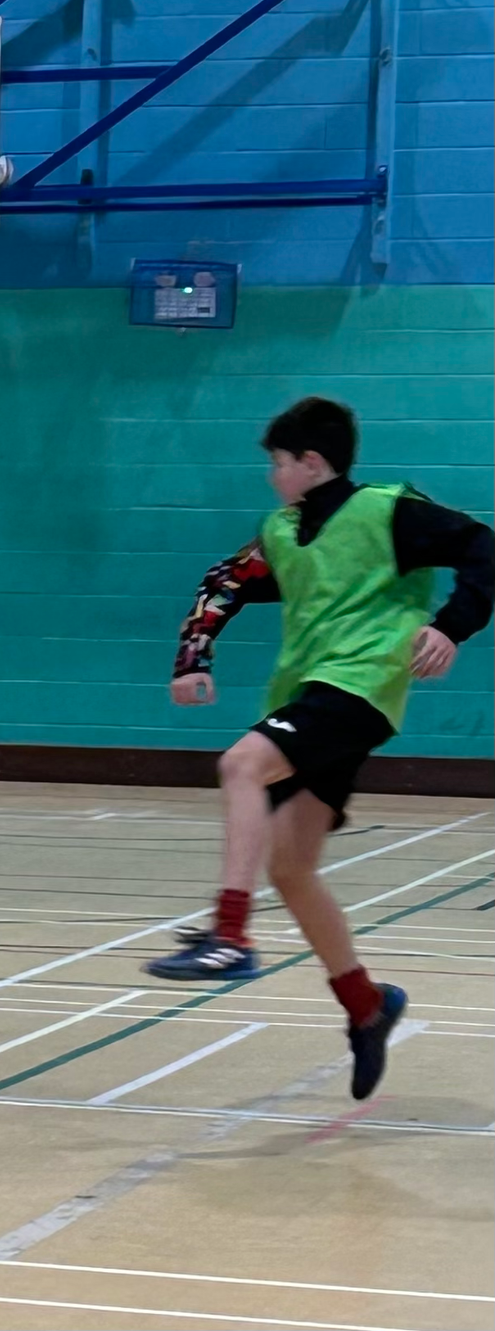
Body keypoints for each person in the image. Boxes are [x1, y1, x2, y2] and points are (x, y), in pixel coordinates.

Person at [149, 397, 492, 1100]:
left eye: (278, 464)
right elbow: (223, 584)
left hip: (360, 685)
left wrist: (452, 627)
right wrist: (194, 655)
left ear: (312, 462)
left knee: (240, 763)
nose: (271, 476)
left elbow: (486, 550)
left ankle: (231, 935)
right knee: (294, 867)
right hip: (304, 696)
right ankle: (367, 1007)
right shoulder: (281, 531)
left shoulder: (389, 512)